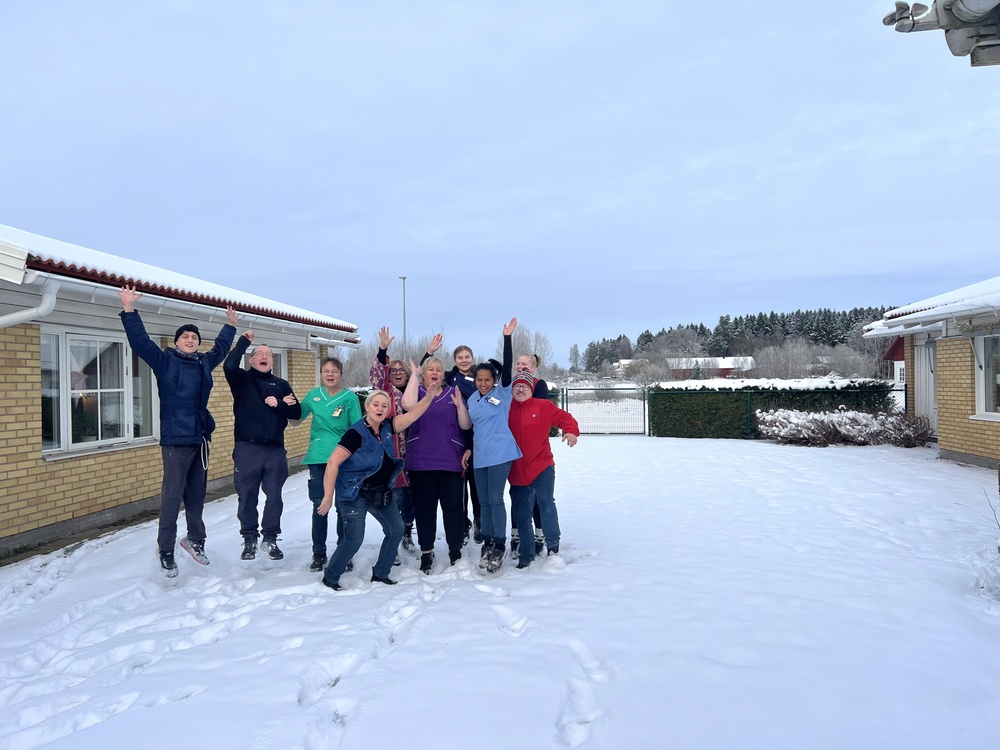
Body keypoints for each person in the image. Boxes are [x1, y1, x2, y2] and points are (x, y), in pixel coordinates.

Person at [117, 284, 237, 577]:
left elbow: (220, 349)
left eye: (194, 336)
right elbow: (141, 343)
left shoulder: (203, 364)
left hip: (199, 439)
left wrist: (230, 326)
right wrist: (130, 309)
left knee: (196, 495)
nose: (190, 339)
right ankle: (166, 550)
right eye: (185, 335)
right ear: (177, 341)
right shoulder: (165, 361)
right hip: (175, 439)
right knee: (172, 496)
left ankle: (195, 540)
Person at [317, 375, 441, 590]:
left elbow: (411, 416)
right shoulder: (355, 434)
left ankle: (381, 573)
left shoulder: (387, 427)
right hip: (355, 494)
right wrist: (328, 497)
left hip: (380, 492)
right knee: (353, 539)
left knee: (396, 529)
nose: (380, 408)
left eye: (385, 405)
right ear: (367, 406)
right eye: (376, 404)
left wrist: (429, 396)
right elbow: (332, 464)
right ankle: (330, 577)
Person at [225, 333, 301, 561]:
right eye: (260, 354)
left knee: (274, 496)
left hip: (274, 450)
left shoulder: (281, 384)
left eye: (268, 354)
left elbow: (295, 413)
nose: (265, 357)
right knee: (247, 496)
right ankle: (249, 539)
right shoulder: (240, 380)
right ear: (250, 360)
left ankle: (270, 538)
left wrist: (279, 404)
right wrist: (243, 343)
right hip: (247, 448)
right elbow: (229, 364)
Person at [401, 353, 473, 573]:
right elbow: (407, 404)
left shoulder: (453, 393)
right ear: (424, 374)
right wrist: (413, 376)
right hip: (421, 463)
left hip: (450, 461)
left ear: (443, 374)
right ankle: (426, 552)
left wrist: (460, 407)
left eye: (438, 370)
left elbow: (466, 425)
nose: (434, 373)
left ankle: (455, 551)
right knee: (425, 510)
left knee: (453, 508)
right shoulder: (418, 393)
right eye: (430, 369)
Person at [370, 326, 438, 553]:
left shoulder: (415, 391)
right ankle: (394, 534)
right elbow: (377, 376)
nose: (398, 372)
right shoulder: (384, 392)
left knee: (413, 497)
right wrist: (382, 349)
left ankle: (407, 529)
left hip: (417, 451)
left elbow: (421, 371)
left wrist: (429, 354)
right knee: (396, 495)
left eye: (402, 370)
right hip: (392, 454)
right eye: (394, 370)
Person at [464, 317, 522, 573]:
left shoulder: (502, 393)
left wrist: (507, 338)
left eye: (488, 380)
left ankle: (499, 544)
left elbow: (508, 366)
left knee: (496, 500)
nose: (483, 383)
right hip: (480, 457)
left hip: (500, 454)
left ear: (495, 380)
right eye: (479, 380)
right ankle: (487, 540)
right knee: (483, 502)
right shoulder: (473, 400)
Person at [507, 371, 579, 568]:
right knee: (521, 515)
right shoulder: (505, 409)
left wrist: (571, 431)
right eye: (517, 386)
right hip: (516, 471)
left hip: (542, 466)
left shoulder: (543, 406)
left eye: (525, 386)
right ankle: (526, 554)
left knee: (546, 505)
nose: (520, 389)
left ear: (531, 390)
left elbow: (565, 418)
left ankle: (553, 547)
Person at [297, 356, 361, 572]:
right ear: (321, 374)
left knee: (343, 507)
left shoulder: (349, 398)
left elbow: (356, 429)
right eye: (326, 371)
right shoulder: (314, 396)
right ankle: (319, 553)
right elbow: (297, 416)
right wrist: (285, 405)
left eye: (334, 371)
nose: (330, 374)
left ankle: (344, 552)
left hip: (343, 457)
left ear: (341, 374)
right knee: (320, 506)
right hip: (318, 457)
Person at [512, 352, 550, 555]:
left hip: (535, 452)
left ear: (534, 367)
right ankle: (516, 534)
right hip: (513, 451)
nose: (521, 367)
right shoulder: (511, 386)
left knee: (535, 496)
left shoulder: (539, 385)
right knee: (516, 495)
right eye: (518, 364)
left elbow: (539, 413)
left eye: (525, 364)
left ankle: (539, 535)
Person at [445, 344, 481, 541]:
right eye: (460, 357)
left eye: (467, 356)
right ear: (455, 360)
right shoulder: (450, 377)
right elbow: (423, 372)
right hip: (457, 433)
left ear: (473, 358)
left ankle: (479, 520)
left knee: (476, 482)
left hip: (477, 434)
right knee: (459, 483)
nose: (464, 360)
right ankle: (463, 522)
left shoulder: (481, 375)